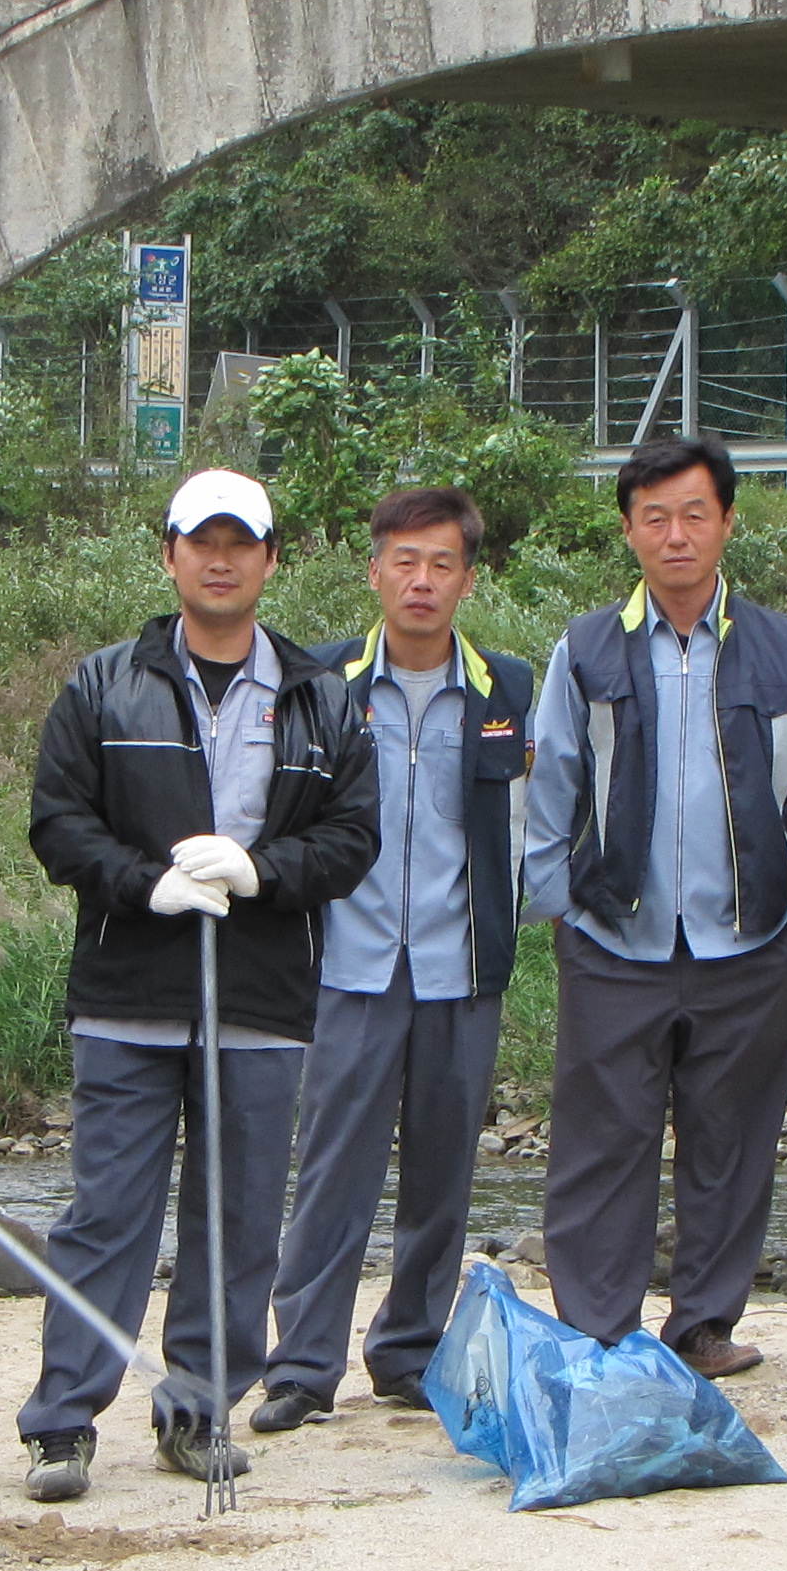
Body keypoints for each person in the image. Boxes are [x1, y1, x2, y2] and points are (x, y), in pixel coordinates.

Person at [18, 470, 377, 1499]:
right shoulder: (102, 684)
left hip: (259, 999)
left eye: (240, 543)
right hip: (127, 992)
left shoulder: (321, 698)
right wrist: (146, 883)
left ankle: (197, 1409)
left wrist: (261, 871)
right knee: (107, 1215)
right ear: (168, 554)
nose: (220, 561)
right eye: (200, 542)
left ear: (270, 559)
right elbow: (58, 821)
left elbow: (353, 837)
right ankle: (62, 1422)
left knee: (237, 1219)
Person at [524, 435, 787, 1379]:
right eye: (655, 517)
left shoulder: (783, 647)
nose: (676, 535)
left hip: (750, 938)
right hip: (613, 936)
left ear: (728, 523)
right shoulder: (586, 647)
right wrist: (556, 904)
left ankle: (703, 1325)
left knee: (731, 1141)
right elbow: (551, 784)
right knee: (602, 1140)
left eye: (695, 515)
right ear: (628, 531)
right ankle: (599, 1327)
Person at [257, 488, 538, 1429]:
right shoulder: (321, 683)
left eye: (442, 564)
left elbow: (538, 819)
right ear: (374, 570)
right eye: (405, 562)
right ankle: (302, 1367)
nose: (422, 581)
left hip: (463, 966)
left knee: (442, 1175)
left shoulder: (507, 689)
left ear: (468, 579)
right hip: (349, 966)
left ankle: (409, 1352)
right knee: (332, 1171)